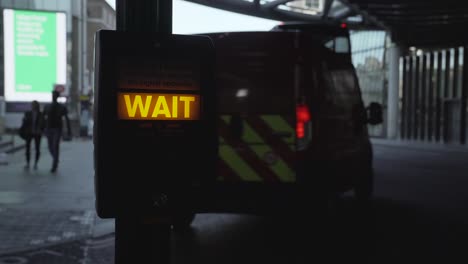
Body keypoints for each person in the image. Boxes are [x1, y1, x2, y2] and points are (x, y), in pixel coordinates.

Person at [43, 91, 71, 173]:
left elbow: (66, 118)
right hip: (49, 128)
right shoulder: (47, 106)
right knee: (50, 146)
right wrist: (42, 127)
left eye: (55, 95)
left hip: (57, 128)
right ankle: (55, 158)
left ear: (57, 97)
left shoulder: (62, 107)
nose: (53, 97)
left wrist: (69, 130)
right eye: (52, 95)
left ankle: (54, 164)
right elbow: (43, 117)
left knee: (55, 145)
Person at [21, 100, 44, 170]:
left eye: (34, 105)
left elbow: (43, 124)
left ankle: (35, 163)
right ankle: (28, 163)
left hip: (37, 133)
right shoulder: (28, 113)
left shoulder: (41, 114)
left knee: (37, 149)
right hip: (29, 133)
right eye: (32, 105)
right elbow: (24, 123)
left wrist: (41, 130)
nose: (33, 106)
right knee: (28, 148)